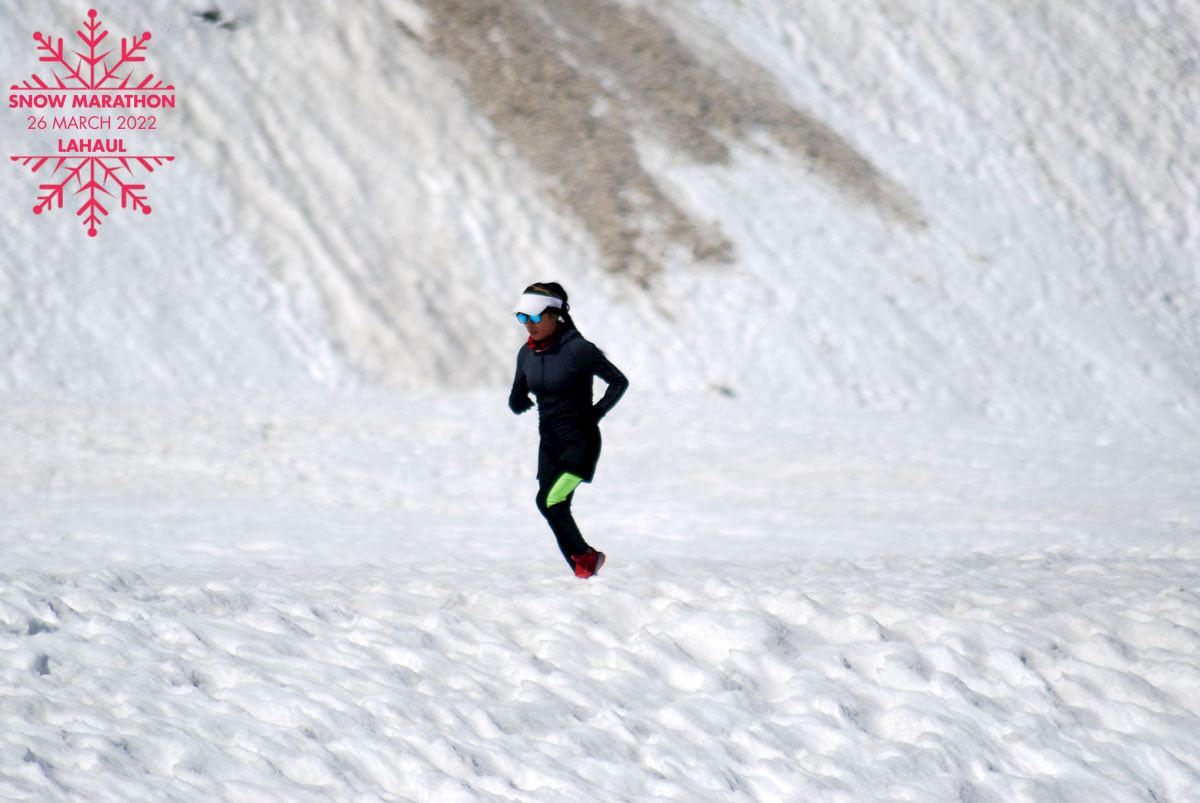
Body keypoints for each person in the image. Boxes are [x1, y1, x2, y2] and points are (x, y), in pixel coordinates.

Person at [508, 282, 629, 578]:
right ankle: (584, 568)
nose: (529, 326)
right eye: (523, 318)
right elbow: (518, 392)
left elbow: (618, 382)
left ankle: (586, 562)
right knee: (553, 507)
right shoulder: (526, 354)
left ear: (555, 316)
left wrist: (595, 414)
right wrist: (517, 399)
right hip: (548, 444)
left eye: (535, 318)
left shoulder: (578, 350)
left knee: (549, 500)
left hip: (579, 442)